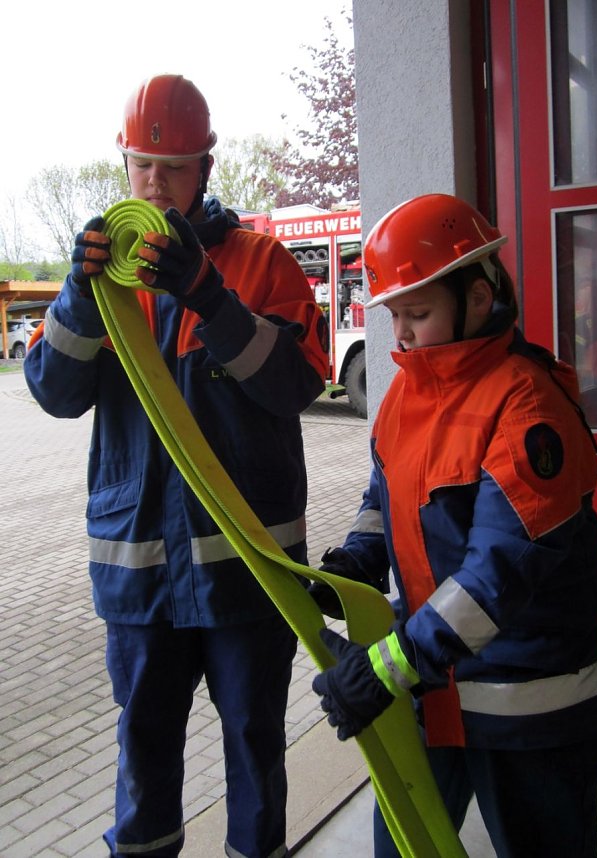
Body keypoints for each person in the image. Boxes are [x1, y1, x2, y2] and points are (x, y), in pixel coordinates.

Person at [24, 74, 329, 858]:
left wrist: (208, 295)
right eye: (142, 167)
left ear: (206, 167)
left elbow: (296, 383)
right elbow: (55, 394)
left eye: (174, 167)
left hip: (248, 577)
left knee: (255, 753)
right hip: (141, 577)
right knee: (143, 760)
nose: (154, 184)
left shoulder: (261, 263)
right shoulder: (103, 279)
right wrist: (80, 300)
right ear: (122, 165)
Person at [311, 194, 597, 858]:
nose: (403, 336)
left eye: (417, 313)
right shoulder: (407, 395)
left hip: (530, 716)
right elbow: (384, 492)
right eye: (394, 316)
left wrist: (382, 670)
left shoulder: (528, 406)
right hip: (435, 686)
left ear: (478, 298)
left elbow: (493, 580)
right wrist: (354, 563)